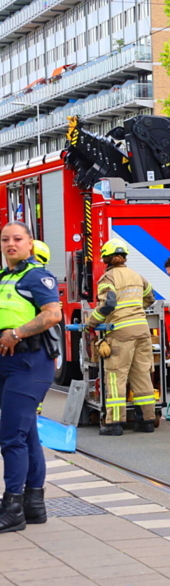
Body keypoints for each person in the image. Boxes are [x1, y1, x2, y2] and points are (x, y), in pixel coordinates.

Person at [0, 222, 62, 534]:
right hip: (11, 362)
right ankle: (33, 505)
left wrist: (17, 333)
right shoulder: (7, 277)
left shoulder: (36, 275)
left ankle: (12, 507)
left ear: (30, 243)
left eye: (18, 239)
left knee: (11, 435)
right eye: (5, 239)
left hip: (30, 362)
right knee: (26, 434)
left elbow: (53, 313)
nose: (11, 244)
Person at [88, 239, 156, 435]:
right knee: (142, 375)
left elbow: (108, 304)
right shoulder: (137, 276)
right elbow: (150, 298)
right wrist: (135, 310)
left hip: (121, 333)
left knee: (116, 377)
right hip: (142, 330)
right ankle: (146, 421)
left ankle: (114, 424)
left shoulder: (108, 278)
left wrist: (91, 323)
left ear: (106, 258)